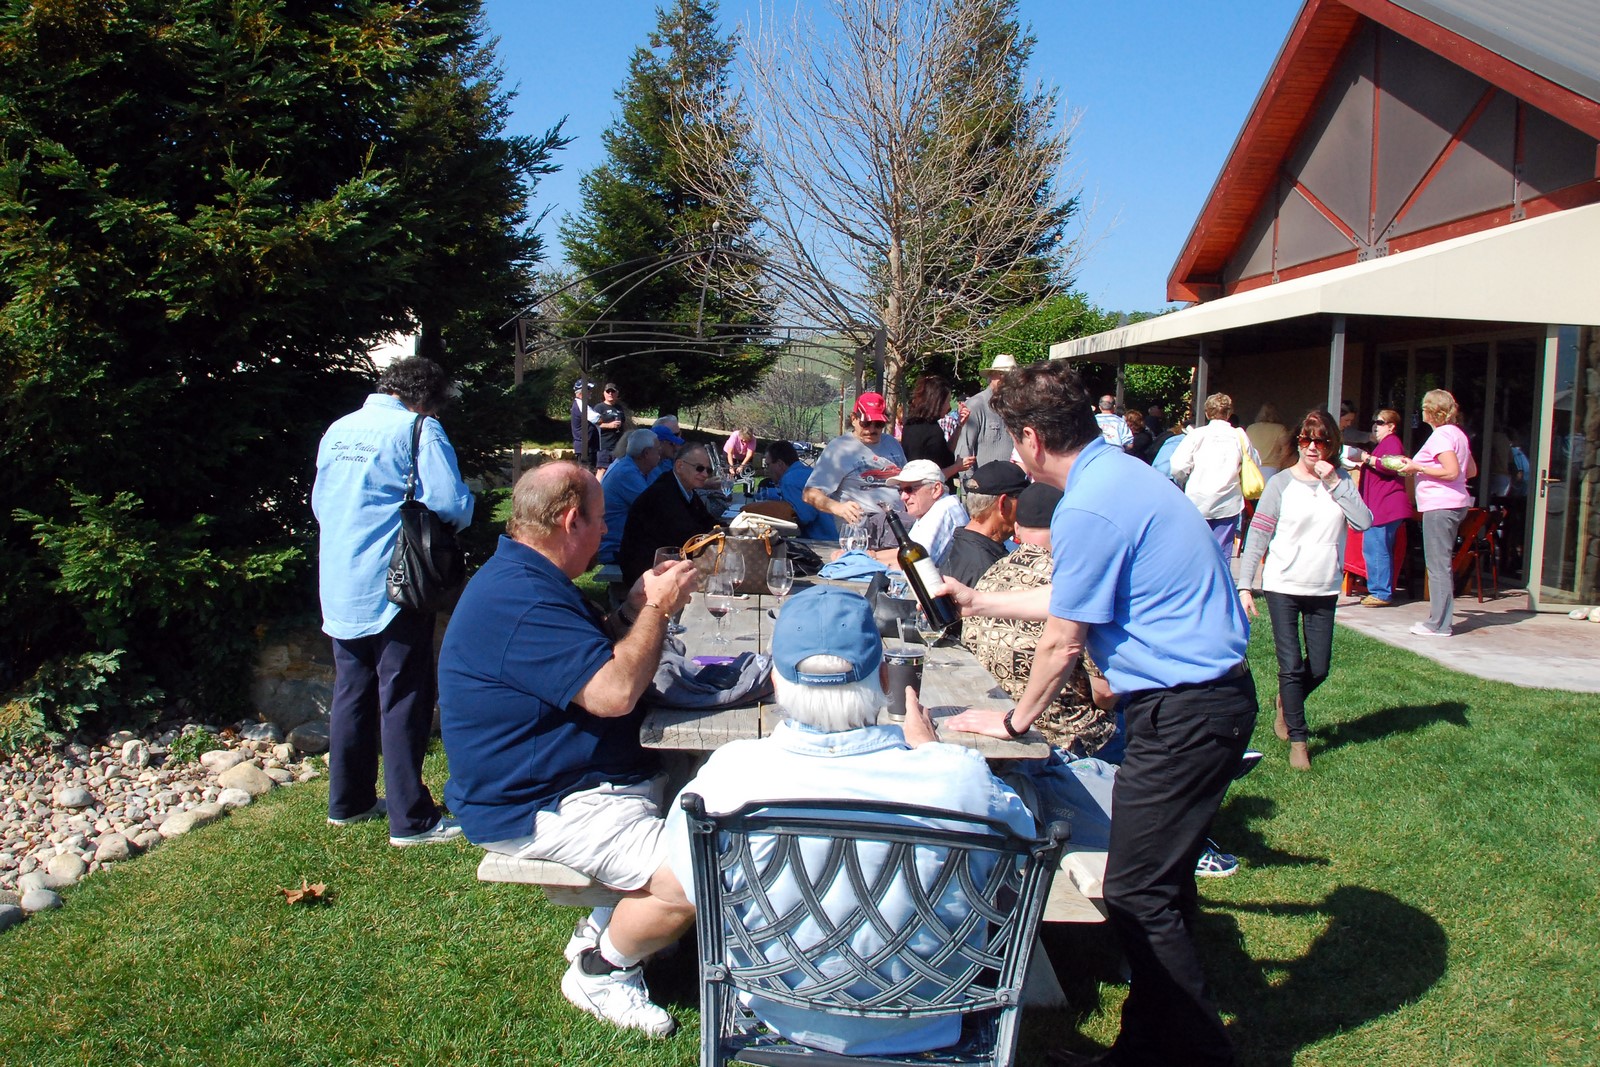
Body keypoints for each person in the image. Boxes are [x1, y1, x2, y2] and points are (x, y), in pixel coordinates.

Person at [937, 360, 1255, 1067]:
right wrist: (981, 599)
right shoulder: (1117, 475)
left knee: (1138, 889)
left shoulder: (1089, 504)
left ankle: (1202, 1052)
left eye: (1011, 444)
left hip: (1190, 709)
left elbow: (1063, 639)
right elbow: (1072, 599)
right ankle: (1145, 1048)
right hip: (1195, 705)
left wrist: (1015, 722)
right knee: (1159, 886)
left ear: (1029, 438)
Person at [662, 586, 1035, 1057]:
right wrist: (931, 751)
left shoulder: (728, 778)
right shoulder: (957, 779)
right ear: (884, 678)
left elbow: (690, 883)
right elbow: (1022, 846)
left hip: (782, 1007)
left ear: (776, 681)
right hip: (926, 1016)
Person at [437, 462, 700, 1037]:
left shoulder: (525, 577)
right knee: (701, 872)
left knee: (707, 787)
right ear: (571, 518)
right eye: (601, 520)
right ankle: (602, 971)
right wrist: (656, 610)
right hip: (538, 803)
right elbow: (612, 694)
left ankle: (609, 923)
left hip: (577, 779)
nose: (607, 532)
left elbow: (579, 659)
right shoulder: (521, 599)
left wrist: (630, 611)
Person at [311, 356, 473, 846]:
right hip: (395, 582)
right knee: (404, 693)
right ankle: (411, 818)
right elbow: (449, 502)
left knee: (351, 690)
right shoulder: (419, 429)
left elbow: (321, 501)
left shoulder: (339, 428)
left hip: (340, 578)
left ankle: (349, 801)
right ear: (427, 397)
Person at [1237, 410, 1372, 772]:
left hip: (1323, 585)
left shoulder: (1341, 482)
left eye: (1321, 441)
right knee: (1291, 665)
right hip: (1283, 583)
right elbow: (1258, 536)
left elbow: (1364, 521)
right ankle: (1299, 740)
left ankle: (1288, 699)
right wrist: (1245, 585)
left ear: (1332, 445)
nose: (1313, 448)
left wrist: (1337, 484)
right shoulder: (1281, 484)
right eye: (1306, 440)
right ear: (1297, 442)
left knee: (1321, 667)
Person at [1403, 389, 1477, 637]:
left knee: (1437, 565)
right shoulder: (1459, 435)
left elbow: (1453, 471)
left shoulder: (1442, 436)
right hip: (1454, 504)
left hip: (1440, 506)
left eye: (1424, 407)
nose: (1422, 411)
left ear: (1432, 411)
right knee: (1440, 564)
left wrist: (1417, 467)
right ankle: (1439, 620)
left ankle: (1439, 624)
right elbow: (1471, 470)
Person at [1170, 392, 1258, 560]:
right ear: (1229, 413)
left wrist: (1185, 478)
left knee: (1194, 549)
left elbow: (1177, 466)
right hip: (1228, 501)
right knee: (1221, 553)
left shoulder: (1197, 435)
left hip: (1197, 500)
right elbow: (1254, 461)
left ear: (1206, 413)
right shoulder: (1239, 435)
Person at [619, 443, 719, 588]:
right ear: (679, 466)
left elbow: (707, 522)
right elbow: (690, 537)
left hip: (669, 565)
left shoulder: (686, 491)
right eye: (699, 468)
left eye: (708, 470)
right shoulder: (663, 494)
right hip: (646, 576)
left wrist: (729, 531)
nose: (705, 474)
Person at [803, 391, 907, 527]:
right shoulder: (839, 448)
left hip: (900, 523)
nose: (872, 429)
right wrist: (838, 508)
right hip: (863, 528)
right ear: (854, 419)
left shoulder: (892, 443)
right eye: (866, 423)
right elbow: (810, 494)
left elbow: (907, 483)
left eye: (879, 424)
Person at [1352, 408, 1411, 606]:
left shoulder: (1392, 442)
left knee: (1376, 547)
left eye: (1379, 423)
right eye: (1374, 422)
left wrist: (1366, 458)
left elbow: (1390, 466)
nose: (1374, 427)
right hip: (1381, 504)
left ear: (1391, 426)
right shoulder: (1385, 444)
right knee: (1376, 546)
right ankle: (1380, 589)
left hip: (1386, 506)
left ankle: (1380, 593)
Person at [942, 461, 1029, 588]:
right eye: (1023, 500)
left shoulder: (956, 549)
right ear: (1003, 504)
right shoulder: (990, 570)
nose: (1026, 507)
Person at [877, 459, 967, 565]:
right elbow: (903, 553)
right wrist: (871, 556)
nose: (903, 497)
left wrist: (867, 563)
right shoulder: (930, 509)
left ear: (936, 489)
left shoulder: (942, 510)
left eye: (909, 489)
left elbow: (915, 564)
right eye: (900, 490)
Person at [598, 428, 662, 565]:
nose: (660, 454)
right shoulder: (626, 473)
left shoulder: (635, 468)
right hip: (615, 547)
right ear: (646, 453)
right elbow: (656, 508)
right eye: (657, 450)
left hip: (626, 544)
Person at [900, 374, 975, 485]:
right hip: (930, 492)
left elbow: (945, 452)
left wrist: (959, 426)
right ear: (937, 402)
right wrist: (958, 467)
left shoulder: (911, 425)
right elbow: (933, 475)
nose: (949, 407)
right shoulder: (932, 431)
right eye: (947, 401)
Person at [954, 353, 1020, 468]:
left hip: (1014, 481)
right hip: (984, 483)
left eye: (1011, 376)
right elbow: (965, 447)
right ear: (992, 376)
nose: (1007, 380)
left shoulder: (1016, 405)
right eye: (1001, 374)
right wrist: (969, 482)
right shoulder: (976, 404)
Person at [763, 440, 837, 540]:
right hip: (835, 534)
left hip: (820, 541)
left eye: (768, 465)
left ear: (780, 464)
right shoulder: (808, 471)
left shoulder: (789, 481)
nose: (766, 470)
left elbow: (805, 517)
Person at [1245, 403, 1294, 480]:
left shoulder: (1250, 428)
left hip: (1252, 469)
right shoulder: (1280, 429)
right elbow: (1285, 451)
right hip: (1272, 469)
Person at [593, 383, 628, 473]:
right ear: (604, 393)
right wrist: (609, 425)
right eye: (608, 391)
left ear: (617, 393)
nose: (610, 393)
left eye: (613, 391)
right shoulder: (599, 408)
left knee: (617, 470)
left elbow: (623, 423)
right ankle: (598, 487)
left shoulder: (619, 408)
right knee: (602, 470)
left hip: (618, 445)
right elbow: (594, 425)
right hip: (604, 445)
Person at [570, 379, 602, 467]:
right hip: (585, 447)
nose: (590, 392)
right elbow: (598, 419)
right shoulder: (581, 405)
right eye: (588, 389)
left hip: (588, 446)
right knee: (587, 475)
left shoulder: (581, 404)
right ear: (582, 392)